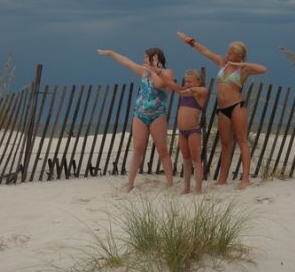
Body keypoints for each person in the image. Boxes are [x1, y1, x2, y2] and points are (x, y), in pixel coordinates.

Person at [177, 31, 266, 189]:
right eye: (228, 51)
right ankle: (223, 178)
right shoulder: (222, 63)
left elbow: (262, 69)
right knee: (225, 143)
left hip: (237, 106)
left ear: (239, 56)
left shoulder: (243, 70)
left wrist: (243, 64)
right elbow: (206, 52)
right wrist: (191, 42)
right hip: (222, 108)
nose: (227, 54)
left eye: (231, 53)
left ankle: (245, 178)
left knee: (242, 140)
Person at [97, 47, 174, 192]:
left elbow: (159, 84)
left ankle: (170, 183)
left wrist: (153, 69)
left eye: (146, 57)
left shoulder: (167, 72)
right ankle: (130, 183)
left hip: (157, 115)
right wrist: (111, 53)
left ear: (155, 58)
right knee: (138, 148)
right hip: (140, 114)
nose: (144, 59)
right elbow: (127, 63)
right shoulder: (143, 72)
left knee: (162, 149)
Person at [146, 66, 208, 194]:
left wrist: (188, 89)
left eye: (190, 81)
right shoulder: (184, 91)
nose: (187, 84)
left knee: (196, 160)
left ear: (198, 82)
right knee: (186, 159)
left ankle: (198, 189)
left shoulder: (200, 93)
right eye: (185, 81)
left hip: (193, 131)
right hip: (182, 131)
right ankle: (187, 187)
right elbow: (171, 84)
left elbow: (204, 89)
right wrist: (157, 72)